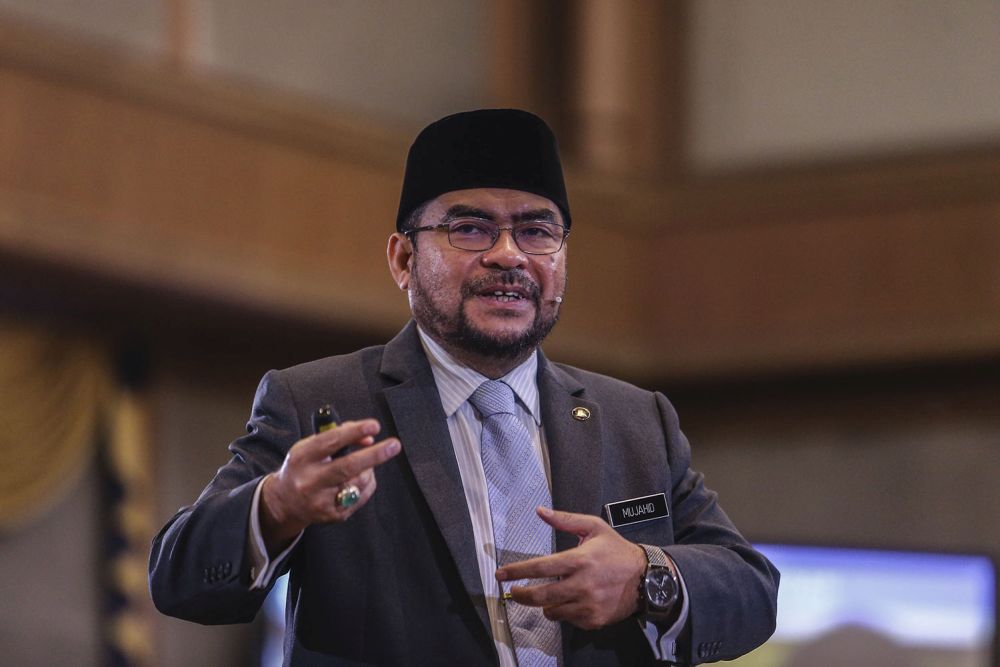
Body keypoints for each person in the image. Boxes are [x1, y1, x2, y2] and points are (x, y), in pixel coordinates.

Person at [149, 109, 778, 666]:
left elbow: (752, 590)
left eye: (537, 231)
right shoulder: (323, 400)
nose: (508, 255)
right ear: (402, 259)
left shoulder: (636, 420)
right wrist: (277, 505)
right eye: (470, 228)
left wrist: (648, 576)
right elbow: (178, 578)